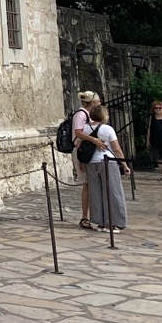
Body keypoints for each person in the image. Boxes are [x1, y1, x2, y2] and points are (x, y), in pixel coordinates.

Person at [84, 104, 130, 231]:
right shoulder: (107, 129)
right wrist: (124, 164)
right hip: (107, 161)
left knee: (96, 191)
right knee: (113, 191)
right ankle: (114, 222)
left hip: (91, 162)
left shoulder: (85, 129)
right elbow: (117, 149)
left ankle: (100, 221)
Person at [72, 91, 105, 229]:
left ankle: (95, 214)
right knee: (86, 184)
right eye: (97, 102)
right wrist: (94, 139)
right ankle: (85, 216)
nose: (99, 104)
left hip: (89, 151)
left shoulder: (88, 115)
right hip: (83, 151)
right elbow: (78, 132)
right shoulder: (81, 114)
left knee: (91, 184)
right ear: (92, 102)